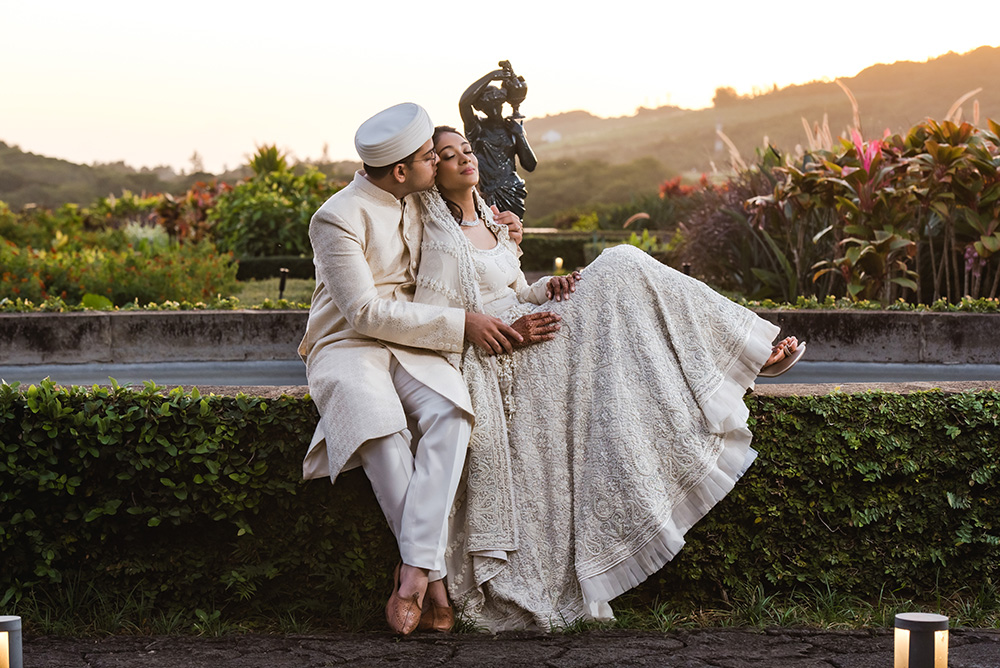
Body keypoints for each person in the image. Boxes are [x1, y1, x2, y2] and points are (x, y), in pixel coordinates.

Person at [413, 126, 804, 631]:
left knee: (624, 273)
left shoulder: (494, 221)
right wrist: (511, 331)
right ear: (434, 173)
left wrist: (546, 288)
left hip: (532, 325)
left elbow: (515, 291)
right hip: (506, 355)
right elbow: (444, 319)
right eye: (447, 156)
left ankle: (739, 351)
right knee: (621, 263)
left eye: (466, 149)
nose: (464, 158)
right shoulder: (439, 237)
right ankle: (744, 352)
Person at [297, 104, 545, 635]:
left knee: (452, 414)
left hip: (415, 340)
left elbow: (470, 231)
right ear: (401, 171)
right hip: (349, 344)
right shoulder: (337, 217)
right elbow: (364, 312)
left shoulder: (420, 196)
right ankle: (432, 584)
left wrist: (506, 228)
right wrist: (461, 325)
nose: (439, 162)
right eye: (431, 157)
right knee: (380, 430)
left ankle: (410, 571)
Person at [459, 66, 537, 219]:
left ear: (502, 102)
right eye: (488, 105)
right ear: (481, 107)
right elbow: (463, 103)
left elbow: (530, 165)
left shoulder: (512, 128)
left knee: (512, 230)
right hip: (485, 191)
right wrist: (492, 76)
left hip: (512, 189)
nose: (493, 109)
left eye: (496, 104)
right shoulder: (476, 128)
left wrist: (520, 135)